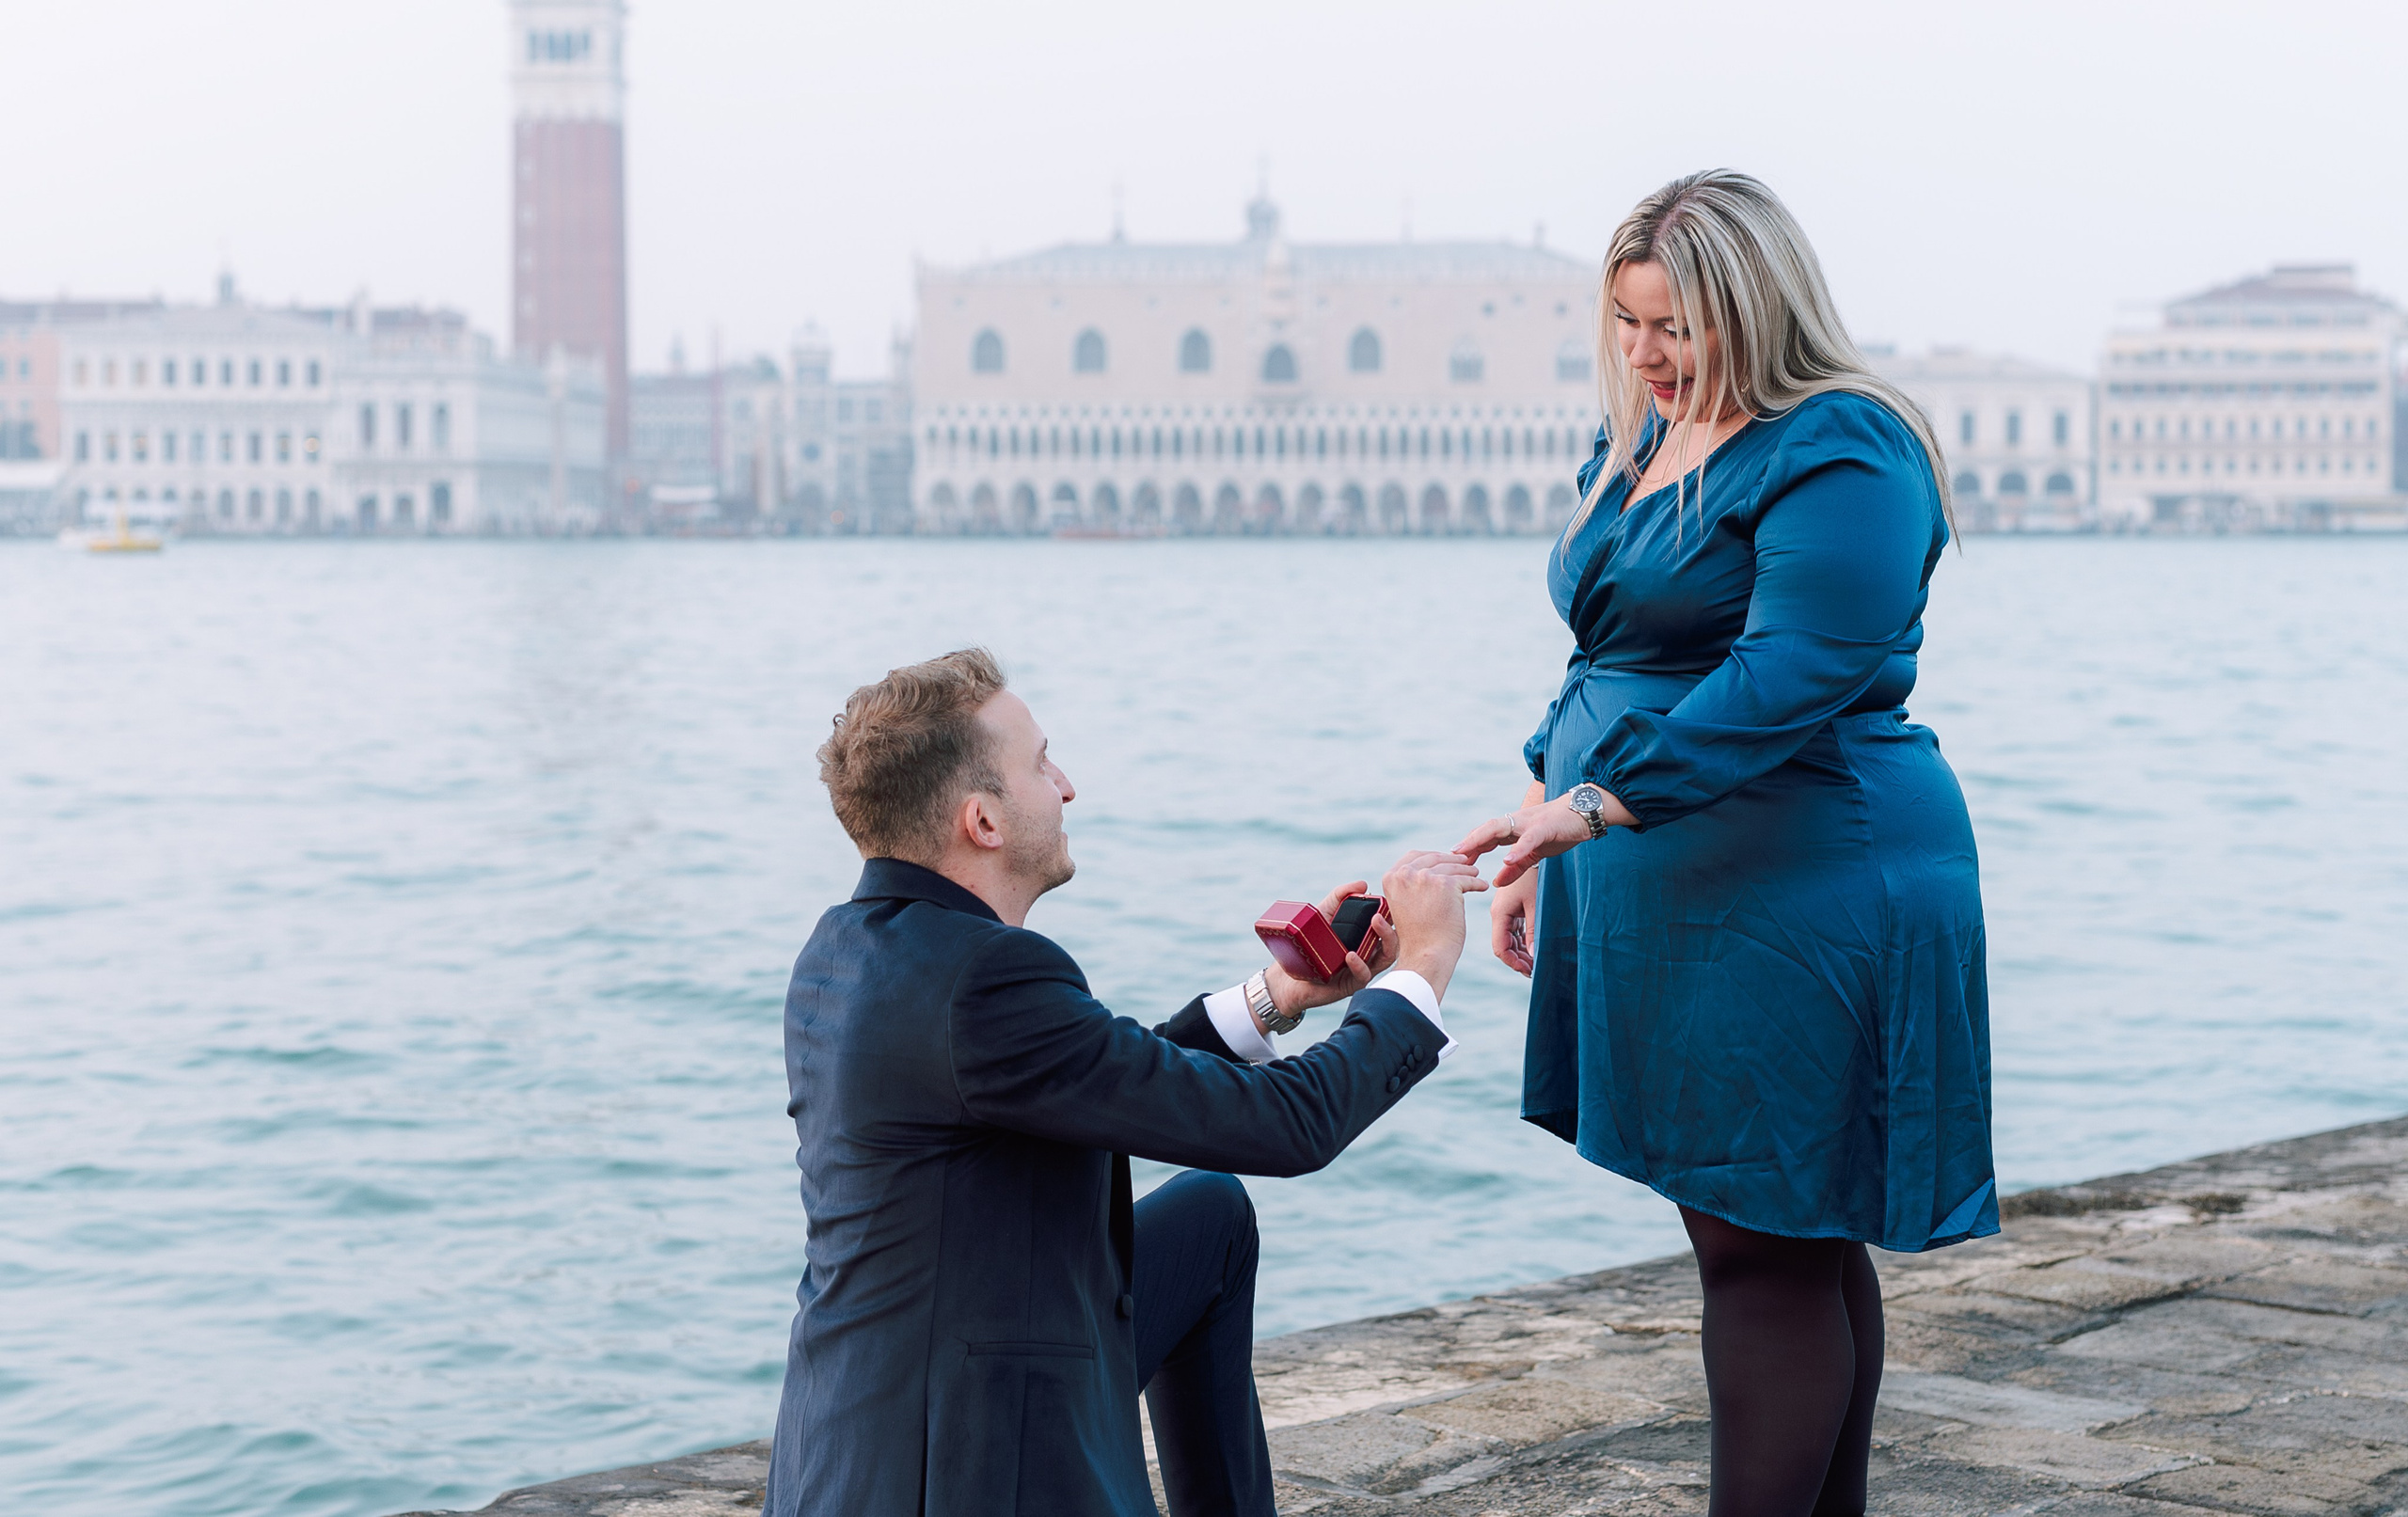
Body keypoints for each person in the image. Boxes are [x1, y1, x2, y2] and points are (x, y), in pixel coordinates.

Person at [1452, 170, 1995, 1517]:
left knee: (1768, 1244)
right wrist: (1543, 811)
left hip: (1811, 875)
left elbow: (1790, 673)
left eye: (1675, 328)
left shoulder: (1847, 447)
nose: (1644, 355)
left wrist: (1586, 807)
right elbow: (1611, 648)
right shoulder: (1640, 436)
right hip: (1669, 874)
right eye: (1627, 323)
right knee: (1767, 1235)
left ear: (1758, 312)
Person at [768, 648, 1486, 1517]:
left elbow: (1091, 1076)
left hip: (861, 1428)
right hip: (956, 1464)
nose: (1065, 786)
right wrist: (1426, 965)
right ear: (983, 820)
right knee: (1227, 1188)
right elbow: (1291, 1126)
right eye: (1040, 763)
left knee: (1209, 1219)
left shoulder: (847, 951)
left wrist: (1278, 998)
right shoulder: (986, 979)